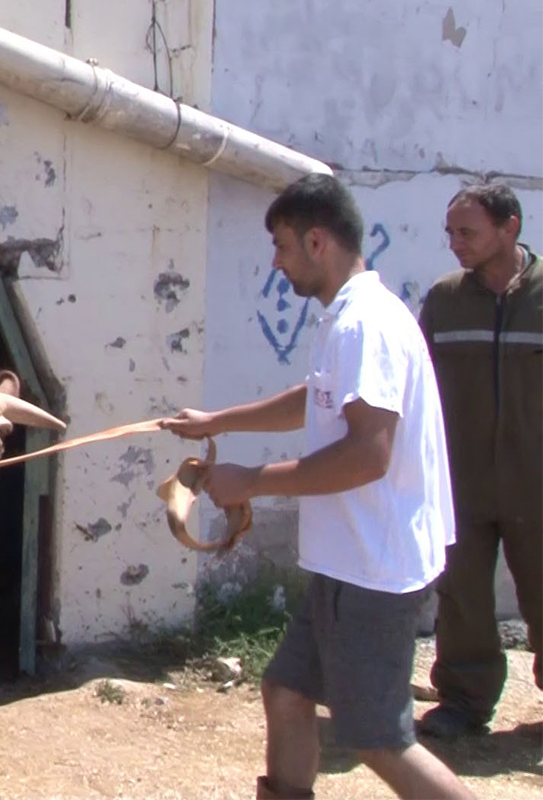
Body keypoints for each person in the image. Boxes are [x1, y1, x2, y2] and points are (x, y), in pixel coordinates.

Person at [162, 174, 473, 800]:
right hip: (346, 564)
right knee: (287, 691)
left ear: (316, 240)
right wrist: (219, 421)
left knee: (380, 740)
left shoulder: (365, 326)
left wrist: (250, 481)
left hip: (372, 570)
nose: (276, 263)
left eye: (280, 247)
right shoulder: (348, 319)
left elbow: (367, 456)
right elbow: (317, 400)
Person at [416, 183, 542, 739]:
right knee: (462, 595)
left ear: (509, 227)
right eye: (450, 232)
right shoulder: (444, 300)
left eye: (467, 232)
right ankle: (464, 702)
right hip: (460, 481)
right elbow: (419, 388)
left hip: (536, 482)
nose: (455, 244)